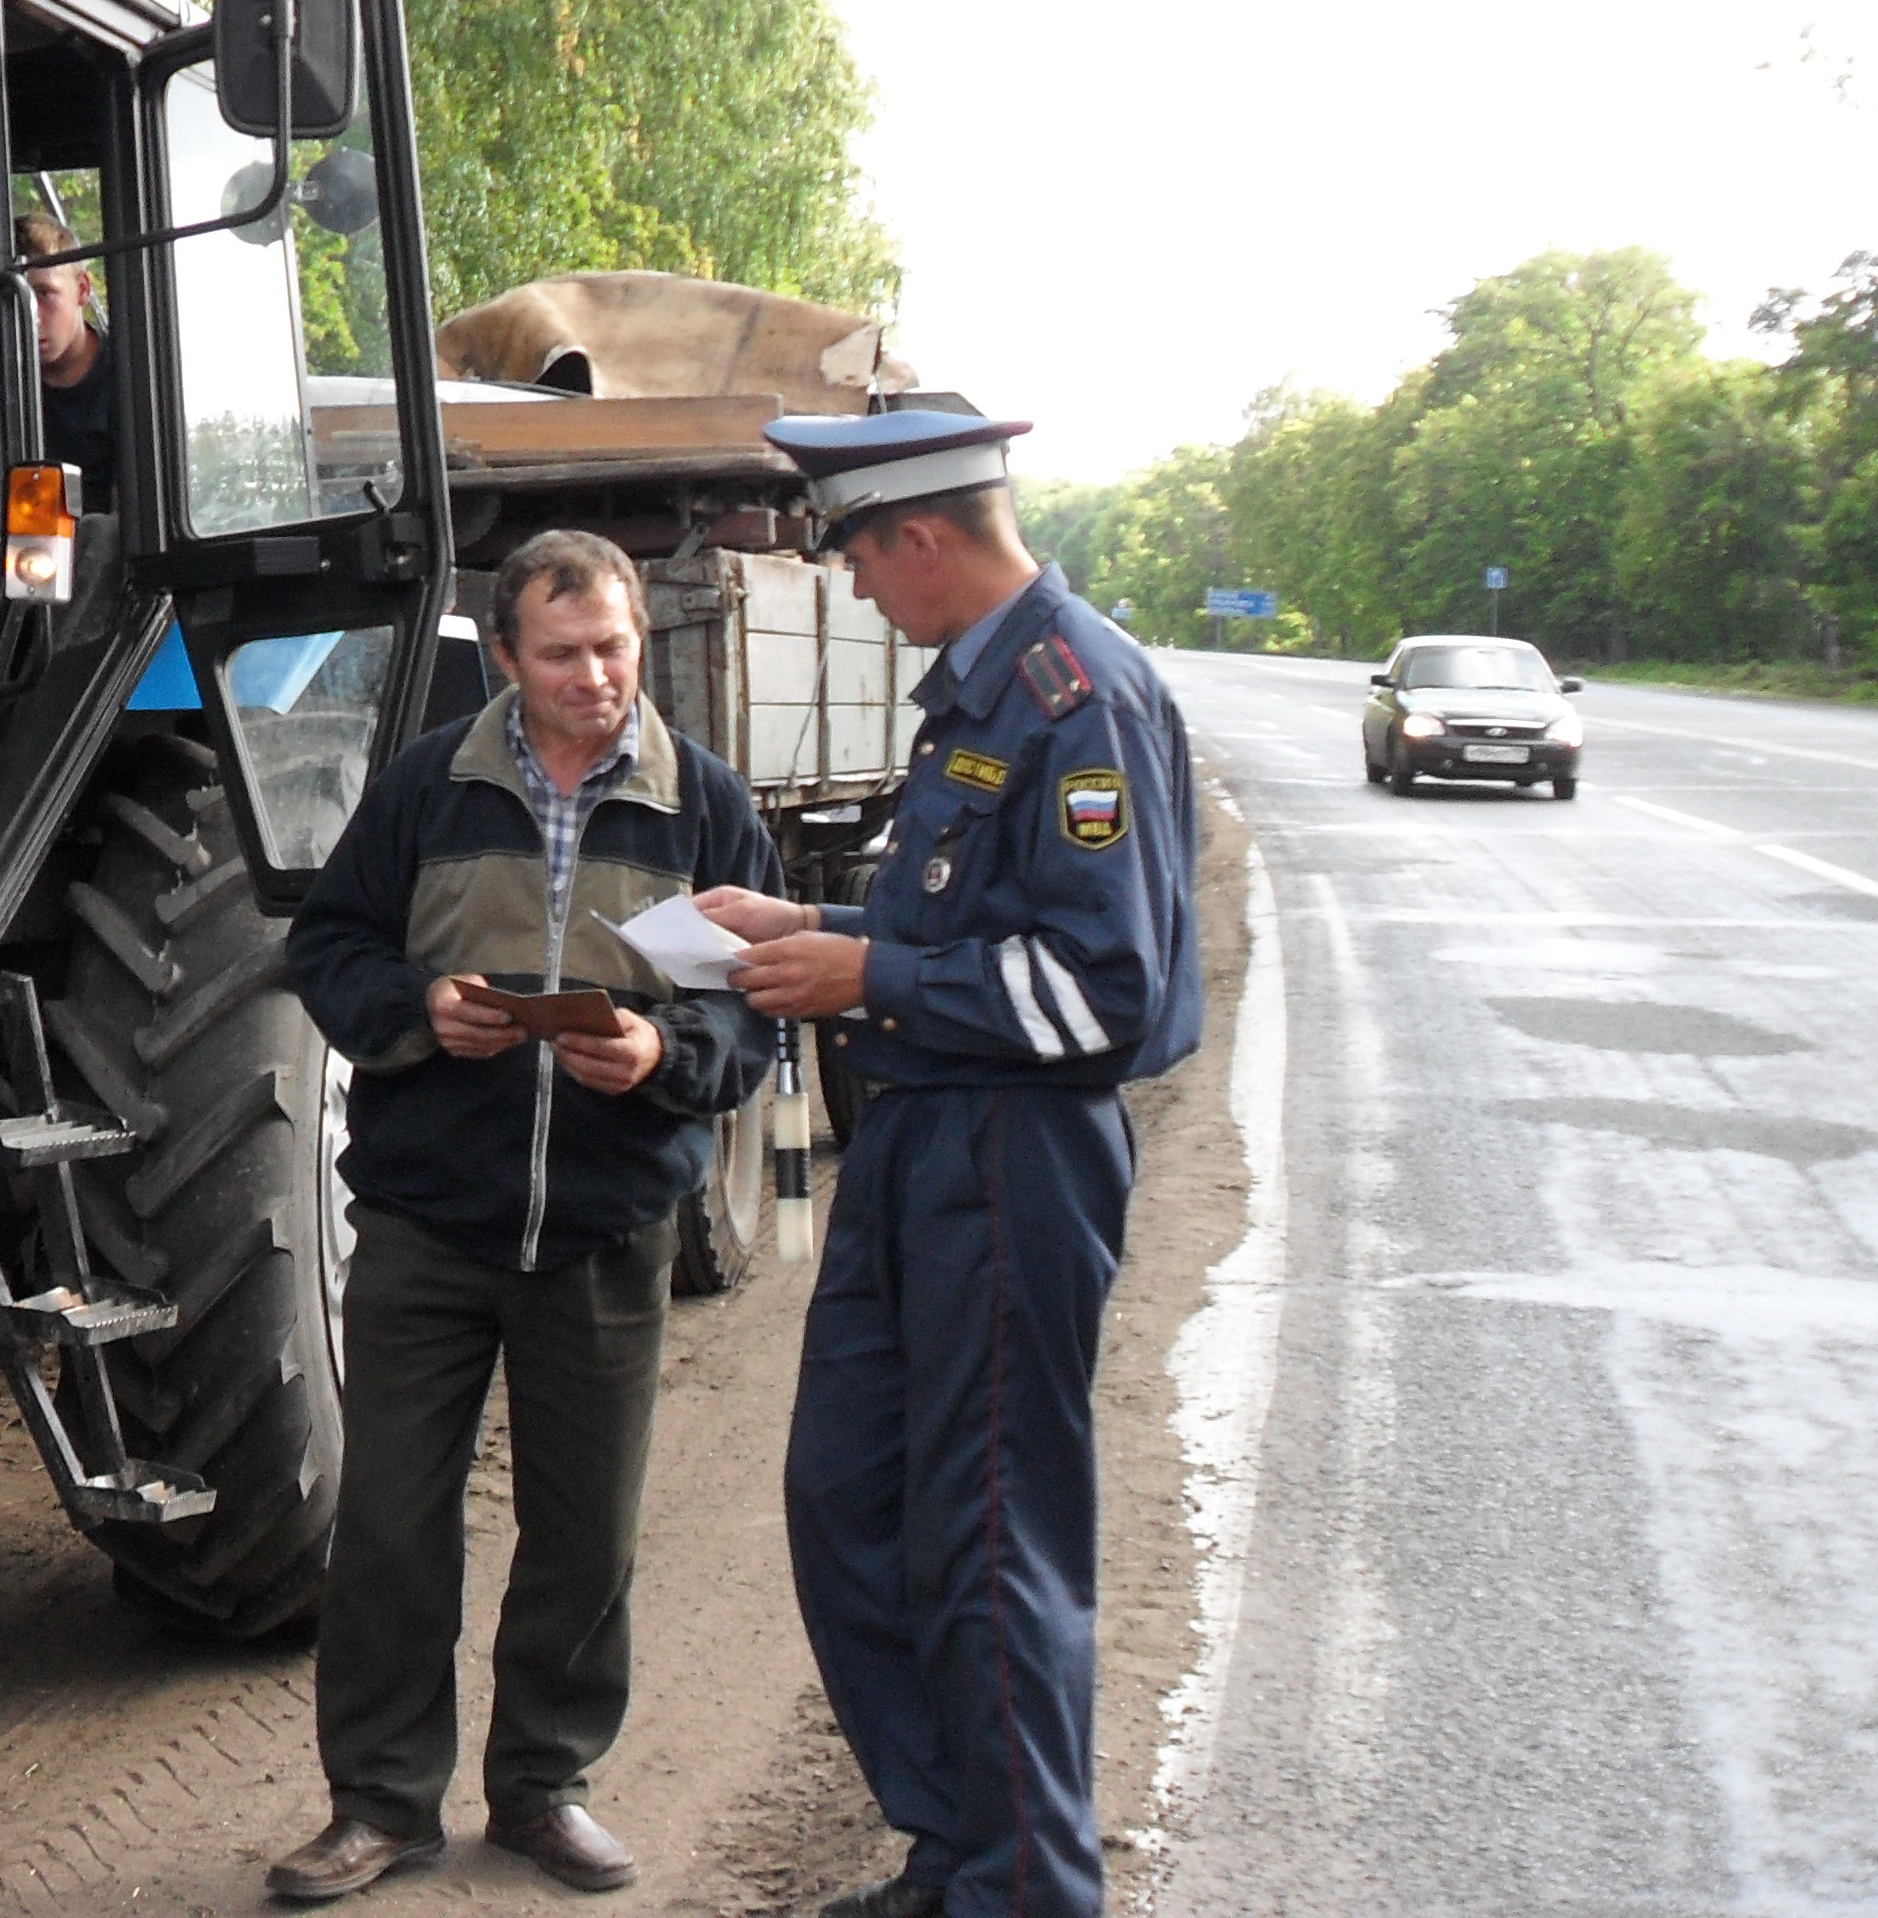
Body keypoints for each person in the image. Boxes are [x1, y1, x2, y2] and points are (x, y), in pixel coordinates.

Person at [691, 413, 1201, 1918]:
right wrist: (819, 942)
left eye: (854, 554)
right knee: (851, 1504)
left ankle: (1026, 1886)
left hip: (1011, 1151)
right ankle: (961, 1849)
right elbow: (965, 930)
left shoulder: (1076, 696)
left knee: (987, 1535)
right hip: (920, 1140)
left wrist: (875, 985)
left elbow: (1104, 994)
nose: (853, 588)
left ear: (920, 537)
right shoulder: (978, 694)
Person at [266, 530, 782, 1903]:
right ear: (503, 657)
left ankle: (544, 1791)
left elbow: (753, 1016)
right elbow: (328, 946)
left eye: (615, 648)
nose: (596, 677)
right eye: (562, 654)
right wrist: (418, 1014)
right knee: (389, 1529)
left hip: (607, 1235)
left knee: (586, 1532)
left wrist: (664, 1060)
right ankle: (380, 1807)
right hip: (431, 1228)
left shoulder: (705, 808)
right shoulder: (428, 789)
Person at [17, 211, 115, 508]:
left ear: (82, 290)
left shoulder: (130, 375)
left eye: (44, 294)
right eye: (18, 301)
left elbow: (140, 518)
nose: (30, 318)